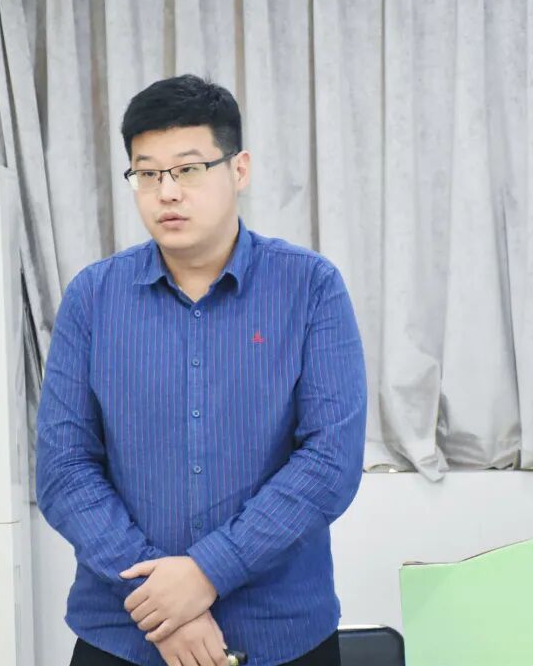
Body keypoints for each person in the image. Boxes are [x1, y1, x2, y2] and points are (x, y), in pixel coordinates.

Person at [36, 74, 367, 666]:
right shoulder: (92, 297)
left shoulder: (310, 287)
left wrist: (207, 572)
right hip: (125, 634)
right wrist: (161, 602)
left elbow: (329, 462)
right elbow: (65, 469)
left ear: (239, 170)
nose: (167, 192)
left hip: (282, 632)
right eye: (147, 174)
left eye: (188, 169)